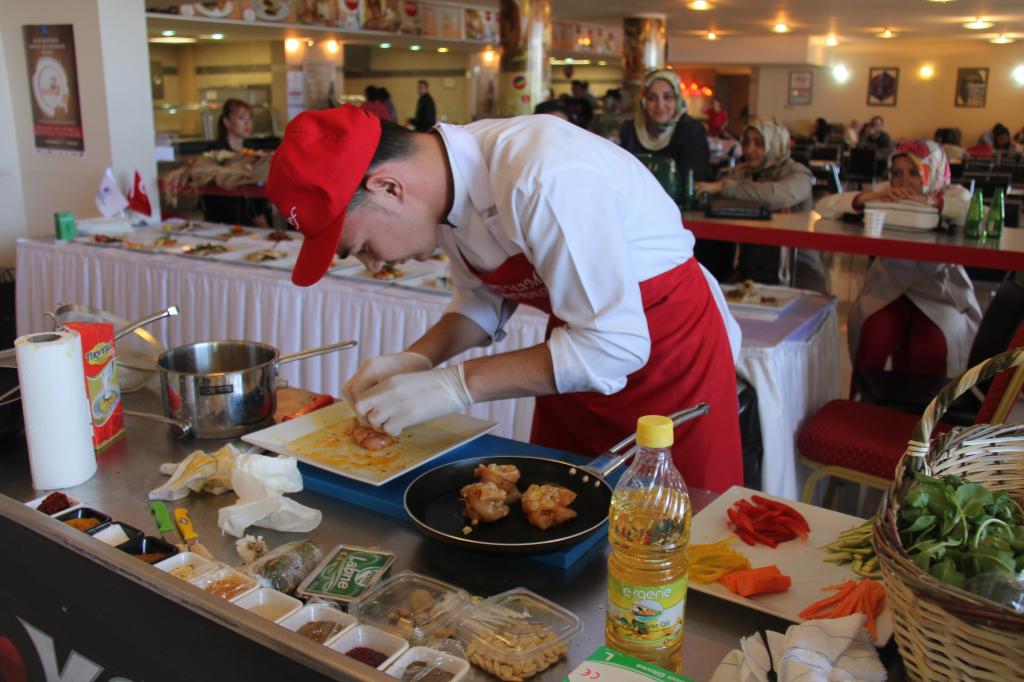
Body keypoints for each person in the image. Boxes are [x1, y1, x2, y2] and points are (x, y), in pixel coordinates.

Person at [266, 105, 744, 492]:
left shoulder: (540, 175)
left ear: (389, 187)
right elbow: (481, 300)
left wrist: (454, 385)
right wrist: (417, 359)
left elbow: (615, 345)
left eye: (362, 246)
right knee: (564, 505)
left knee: (669, 529)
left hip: (670, 356)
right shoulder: (443, 194)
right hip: (573, 358)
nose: (373, 264)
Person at [815, 140, 981, 385]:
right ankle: (862, 401)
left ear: (933, 171)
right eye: (897, 173)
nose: (904, 182)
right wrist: (873, 197)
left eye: (914, 172)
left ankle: (923, 406)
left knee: (931, 346)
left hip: (939, 290)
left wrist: (931, 203)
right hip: (889, 286)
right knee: (873, 335)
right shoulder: (886, 193)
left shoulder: (953, 194)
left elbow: (975, 215)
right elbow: (825, 206)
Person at [695, 118, 827, 292]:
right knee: (712, 294)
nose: (749, 150)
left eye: (759, 143)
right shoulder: (743, 172)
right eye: (746, 142)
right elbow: (714, 199)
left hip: (799, 270)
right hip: (751, 270)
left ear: (776, 144)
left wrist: (727, 188)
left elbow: (777, 195)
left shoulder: (798, 173)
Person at [619, 69, 724, 277]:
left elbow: (692, 180)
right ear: (643, 101)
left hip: (683, 223)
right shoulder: (630, 130)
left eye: (667, 97)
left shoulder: (691, 130)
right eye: (652, 98)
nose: (660, 105)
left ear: (677, 100)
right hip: (637, 224)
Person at [201, 98, 271, 227]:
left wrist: (259, 214)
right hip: (223, 221)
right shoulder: (215, 152)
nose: (247, 124)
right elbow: (211, 191)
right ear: (227, 122)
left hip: (254, 221)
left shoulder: (254, 150)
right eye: (241, 118)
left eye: (250, 119)